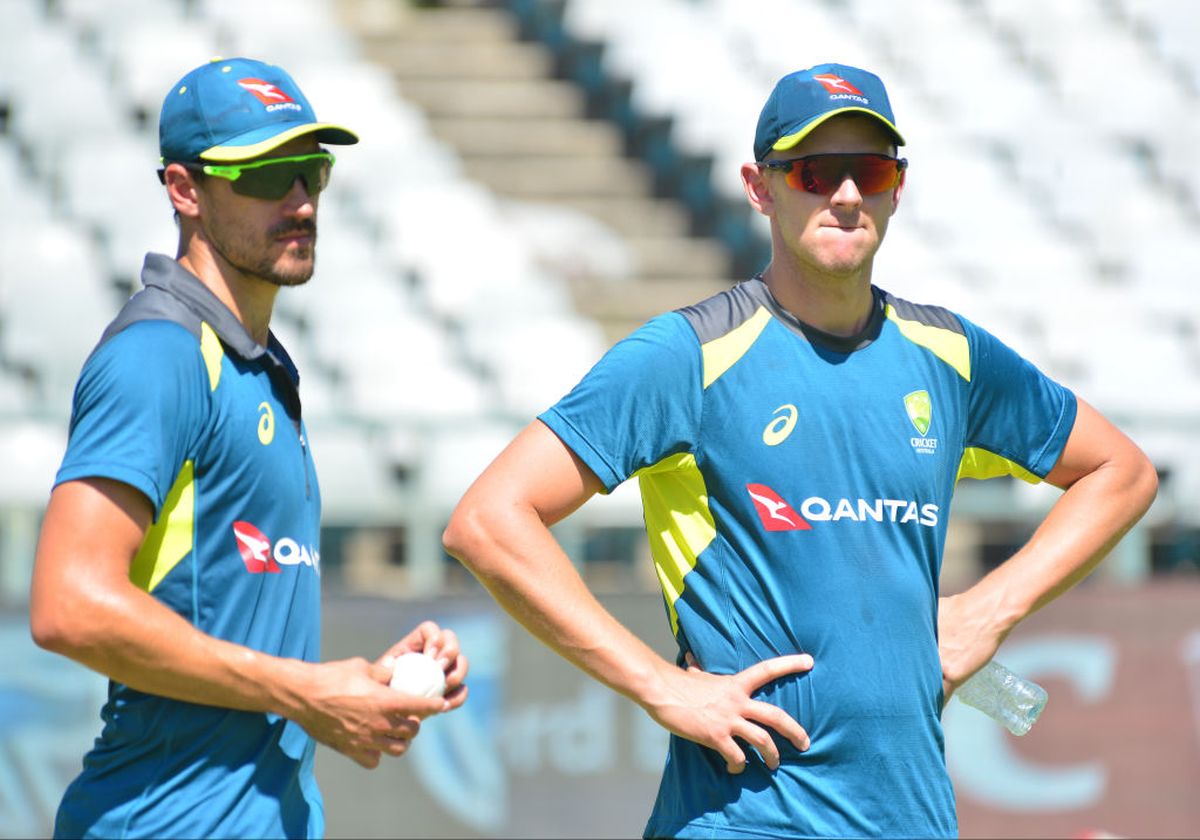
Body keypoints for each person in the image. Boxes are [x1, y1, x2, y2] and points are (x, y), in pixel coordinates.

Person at [442, 62, 1158, 838]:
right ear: (761, 187)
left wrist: (991, 608)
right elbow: (488, 520)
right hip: (745, 818)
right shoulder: (690, 355)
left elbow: (1120, 470)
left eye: (870, 170)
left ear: (897, 188)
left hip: (913, 818)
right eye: (815, 172)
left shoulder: (948, 356)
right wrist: (658, 685)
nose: (846, 195)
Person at [29, 57, 469, 839]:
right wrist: (305, 689)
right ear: (184, 190)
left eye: (311, 171)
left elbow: (233, 642)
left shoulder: (260, 367)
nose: (300, 201)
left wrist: (360, 685)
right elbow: (67, 605)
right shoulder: (158, 356)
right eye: (266, 175)